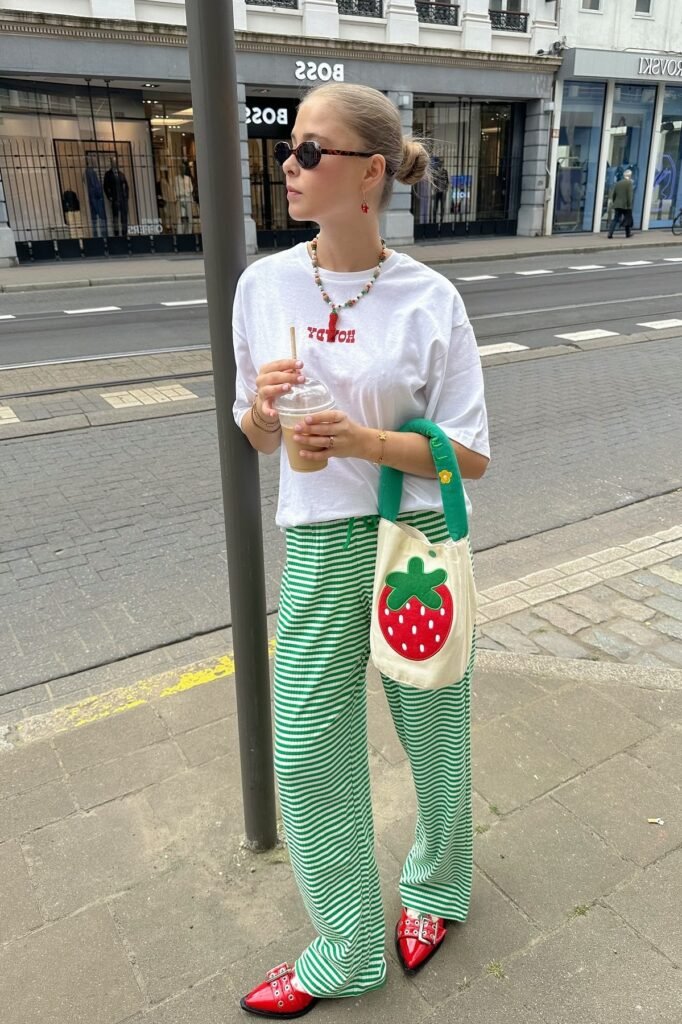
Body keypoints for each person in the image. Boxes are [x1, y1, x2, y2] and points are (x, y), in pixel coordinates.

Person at [232, 82, 490, 1020]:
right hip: (318, 540)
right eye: (290, 148)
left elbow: (469, 454)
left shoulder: (432, 298)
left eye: (311, 150)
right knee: (304, 747)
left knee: (434, 728)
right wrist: (267, 412)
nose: (289, 165)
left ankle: (438, 888)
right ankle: (345, 942)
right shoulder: (263, 284)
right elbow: (258, 437)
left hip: (412, 533)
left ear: (370, 174)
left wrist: (365, 441)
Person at [103, 156, 129, 237]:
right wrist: (109, 196)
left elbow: (126, 186)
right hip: (114, 199)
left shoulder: (121, 174)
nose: (114, 163)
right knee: (115, 217)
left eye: (115, 162)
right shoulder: (108, 174)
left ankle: (125, 233)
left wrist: (126, 196)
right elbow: (105, 186)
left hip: (122, 199)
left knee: (124, 216)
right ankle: (116, 234)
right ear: (111, 163)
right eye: (112, 162)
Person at [608, 168, 634, 238]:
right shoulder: (629, 183)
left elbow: (614, 194)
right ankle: (627, 234)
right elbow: (629, 195)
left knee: (615, 219)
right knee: (627, 218)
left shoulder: (618, 183)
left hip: (617, 204)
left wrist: (614, 202)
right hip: (625, 205)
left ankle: (610, 234)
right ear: (630, 176)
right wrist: (629, 204)